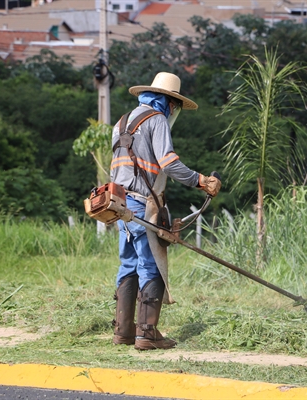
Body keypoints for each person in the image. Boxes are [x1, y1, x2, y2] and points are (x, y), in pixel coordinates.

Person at [110, 72, 221, 351]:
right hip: (141, 204)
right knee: (151, 265)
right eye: (176, 107)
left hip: (120, 203)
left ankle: (124, 331)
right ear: (169, 103)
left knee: (128, 264)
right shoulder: (157, 120)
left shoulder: (122, 121)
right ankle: (147, 333)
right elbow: (169, 164)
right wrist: (201, 180)